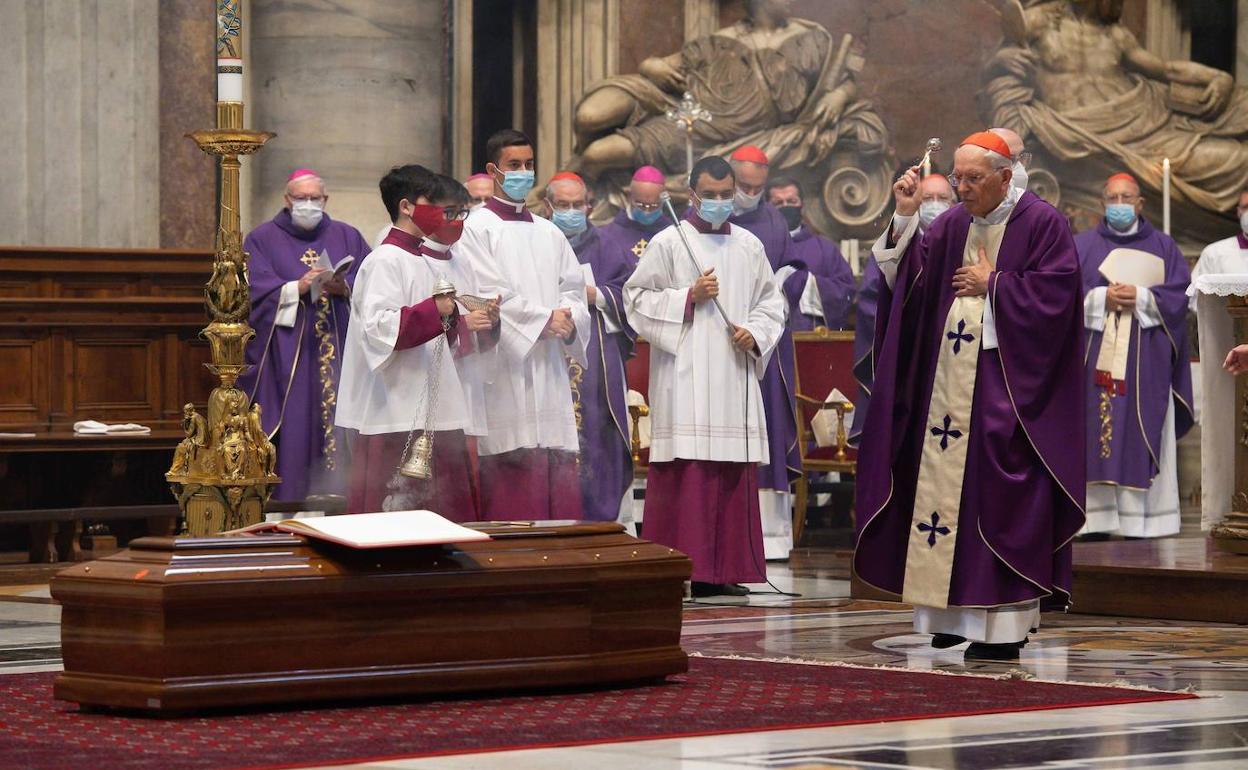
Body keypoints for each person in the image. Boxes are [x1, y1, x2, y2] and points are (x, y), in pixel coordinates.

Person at [855, 132, 1085, 661]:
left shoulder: (1043, 224)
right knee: (941, 500)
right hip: (947, 393)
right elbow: (913, 288)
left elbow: (1059, 301)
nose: (961, 189)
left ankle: (1002, 629)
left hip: (1010, 393)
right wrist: (908, 217)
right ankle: (947, 614)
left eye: (973, 179)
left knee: (1000, 499)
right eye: (957, 178)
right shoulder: (954, 223)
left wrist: (998, 283)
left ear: (1006, 176)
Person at [624, 156, 786, 597]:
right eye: (709, 195)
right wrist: (687, 297)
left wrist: (753, 331)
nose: (718, 202)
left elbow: (773, 304)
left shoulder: (750, 245)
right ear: (691, 194)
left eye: (725, 194)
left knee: (731, 472)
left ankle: (727, 570)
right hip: (687, 373)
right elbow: (635, 299)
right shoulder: (669, 242)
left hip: (734, 372)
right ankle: (683, 570)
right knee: (690, 472)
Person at [336, 167, 497, 519]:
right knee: (397, 515)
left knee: (446, 516)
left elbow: (438, 334)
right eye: (433, 204)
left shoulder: (421, 259)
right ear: (406, 206)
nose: (442, 213)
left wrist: (458, 322)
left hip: (437, 404)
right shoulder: (384, 260)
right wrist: (436, 310)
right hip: (395, 409)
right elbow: (380, 330)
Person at [455, 129, 590, 519]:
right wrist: (542, 319)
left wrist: (568, 317)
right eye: (514, 165)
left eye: (529, 165)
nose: (523, 173)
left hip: (547, 364)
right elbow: (485, 292)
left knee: (551, 454)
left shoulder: (549, 231)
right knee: (509, 452)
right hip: (504, 367)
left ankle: (556, 556)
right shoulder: (475, 229)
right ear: (493, 170)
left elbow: (573, 286)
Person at [239, 168, 370, 501]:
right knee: (296, 426)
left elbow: (371, 283)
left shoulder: (347, 235)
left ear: (325, 200)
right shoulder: (262, 238)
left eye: (315, 198)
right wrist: (295, 287)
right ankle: (291, 501)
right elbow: (253, 290)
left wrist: (345, 286)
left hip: (338, 348)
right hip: (288, 357)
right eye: (301, 198)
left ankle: (341, 501)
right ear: (287, 200)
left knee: (341, 422)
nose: (309, 204)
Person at [1076, 173, 1193, 539]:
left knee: (1142, 429)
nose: (1120, 205)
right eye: (1113, 198)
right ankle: (1093, 521)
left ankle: (1142, 521)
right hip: (1092, 364)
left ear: (1140, 204)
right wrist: (1100, 298)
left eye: (1127, 198)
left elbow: (1180, 299)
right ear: (1102, 203)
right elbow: (1060, 295)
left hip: (1146, 367)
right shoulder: (1080, 246)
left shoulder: (1164, 247)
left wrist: (1143, 298)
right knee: (1089, 431)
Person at [543, 171, 637, 522]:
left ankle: (599, 517)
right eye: (562, 205)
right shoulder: (537, 241)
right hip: (547, 349)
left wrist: (595, 294)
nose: (570, 211)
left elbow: (633, 295)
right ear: (548, 206)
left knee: (597, 426)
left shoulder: (608, 245)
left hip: (596, 353)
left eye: (576, 205)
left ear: (589, 205)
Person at [727, 144, 803, 559]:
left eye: (757, 188)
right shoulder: (706, 220)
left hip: (764, 342)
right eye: (743, 186)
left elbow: (793, 274)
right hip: (717, 337)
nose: (749, 195)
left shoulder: (773, 221)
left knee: (768, 424)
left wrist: (775, 292)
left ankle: (771, 536)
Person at [850, 171, 957, 445]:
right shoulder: (897, 241)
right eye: (928, 197)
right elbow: (874, 300)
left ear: (955, 202)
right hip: (906, 357)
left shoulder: (965, 242)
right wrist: (906, 323)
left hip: (954, 356)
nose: (935, 204)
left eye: (942, 198)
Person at [1188, 186, 1248, 530]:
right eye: (1243, 207)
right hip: (1231, 355)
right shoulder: (1217, 252)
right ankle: (1229, 506)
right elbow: (1198, 301)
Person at [767, 176, 855, 331]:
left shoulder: (825, 248)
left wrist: (805, 283)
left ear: (802, 205)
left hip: (814, 338)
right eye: (778, 203)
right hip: (769, 341)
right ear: (768, 208)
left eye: (792, 201)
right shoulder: (758, 246)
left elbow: (845, 291)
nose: (786, 206)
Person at [597, 165, 669, 268]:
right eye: (640, 205)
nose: (647, 211)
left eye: (654, 206)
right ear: (629, 197)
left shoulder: (673, 233)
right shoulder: (606, 235)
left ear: (663, 200)